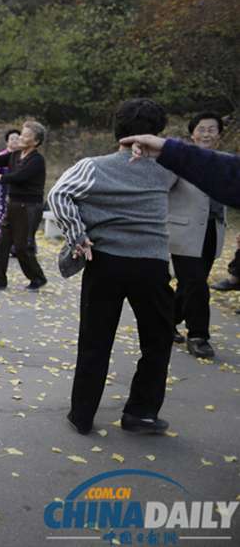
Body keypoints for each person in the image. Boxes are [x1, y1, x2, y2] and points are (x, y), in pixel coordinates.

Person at [47, 98, 178, 436]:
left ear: (117, 130)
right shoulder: (170, 168)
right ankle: (141, 412)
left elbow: (59, 195)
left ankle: (82, 414)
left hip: (104, 262)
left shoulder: (94, 165)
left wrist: (78, 235)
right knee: (158, 339)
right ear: (158, 132)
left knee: (95, 339)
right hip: (151, 264)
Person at [166, 113, 227, 358]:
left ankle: (164, 322)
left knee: (190, 284)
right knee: (196, 284)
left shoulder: (226, 161)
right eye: (202, 129)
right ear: (192, 134)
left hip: (212, 231)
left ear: (219, 135)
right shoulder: (181, 160)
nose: (207, 134)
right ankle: (198, 336)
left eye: (212, 129)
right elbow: (162, 190)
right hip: (183, 232)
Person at [0, 121, 48, 290]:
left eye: (26, 135)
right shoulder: (15, 154)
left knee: (22, 246)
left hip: (29, 207)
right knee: (3, 242)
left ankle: (38, 277)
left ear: (35, 142)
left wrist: (1, 178)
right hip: (13, 204)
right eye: (22, 133)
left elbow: (20, 176)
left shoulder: (37, 160)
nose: (21, 137)